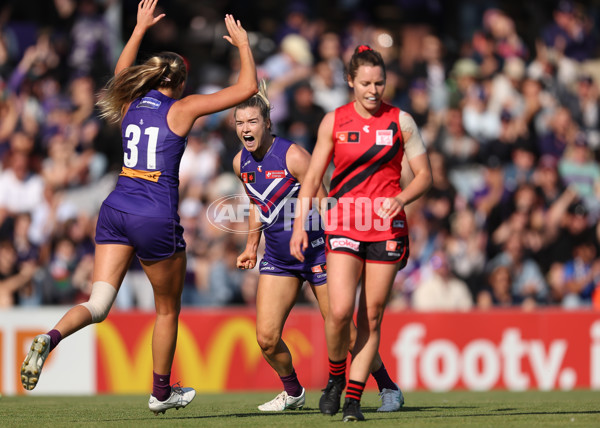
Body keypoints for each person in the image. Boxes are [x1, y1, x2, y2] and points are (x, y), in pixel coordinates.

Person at [19, 0, 257, 415]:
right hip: (153, 211)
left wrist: (138, 28)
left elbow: (119, 72)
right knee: (167, 309)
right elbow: (246, 90)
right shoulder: (181, 110)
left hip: (116, 205)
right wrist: (243, 45)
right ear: (180, 82)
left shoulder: (131, 102)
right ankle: (161, 393)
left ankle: (51, 338)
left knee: (96, 305)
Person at [233, 82, 404, 413]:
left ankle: (388, 388)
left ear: (267, 123)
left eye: (252, 121)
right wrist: (251, 244)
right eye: (240, 123)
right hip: (279, 259)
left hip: (317, 253)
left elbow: (325, 204)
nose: (245, 129)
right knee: (266, 339)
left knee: (346, 333)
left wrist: (333, 249)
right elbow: (256, 202)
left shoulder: (293, 155)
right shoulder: (241, 162)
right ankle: (293, 391)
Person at [290, 45, 432, 422]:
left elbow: (426, 177)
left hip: (386, 227)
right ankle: (336, 377)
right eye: (366, 83)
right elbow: (312, 177)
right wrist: (300, 225)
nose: (373, 90)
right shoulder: (333, 121)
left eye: (379, 82)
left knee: (371, 315)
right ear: (350, 81)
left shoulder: (401, 121)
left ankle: (353, 399)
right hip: (343, 223)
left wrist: (401, 198)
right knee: (338, 312)